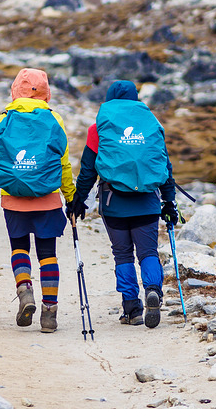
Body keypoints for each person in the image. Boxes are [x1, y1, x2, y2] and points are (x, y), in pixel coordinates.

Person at [70, 80, 177, 328]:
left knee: (123, 255)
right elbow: (164, 166)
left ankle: (132, 310)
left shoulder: (98, 128)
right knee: (148, 252)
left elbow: (88, 171)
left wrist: (79, 200)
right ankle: (153, 291)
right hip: (147, 202)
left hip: (113, 201)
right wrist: (169, 201)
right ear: (135, 98)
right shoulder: (151, 124)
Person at [0, 68, 75, 333]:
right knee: (48, 255)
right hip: (47, 196)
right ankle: (50, 313)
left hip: (13, 196)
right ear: (46, 91)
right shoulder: (54, 117)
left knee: (19, 248)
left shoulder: (4, 119)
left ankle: (25, 293)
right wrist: (71, 196)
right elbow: (63, 162)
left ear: (15, 89)